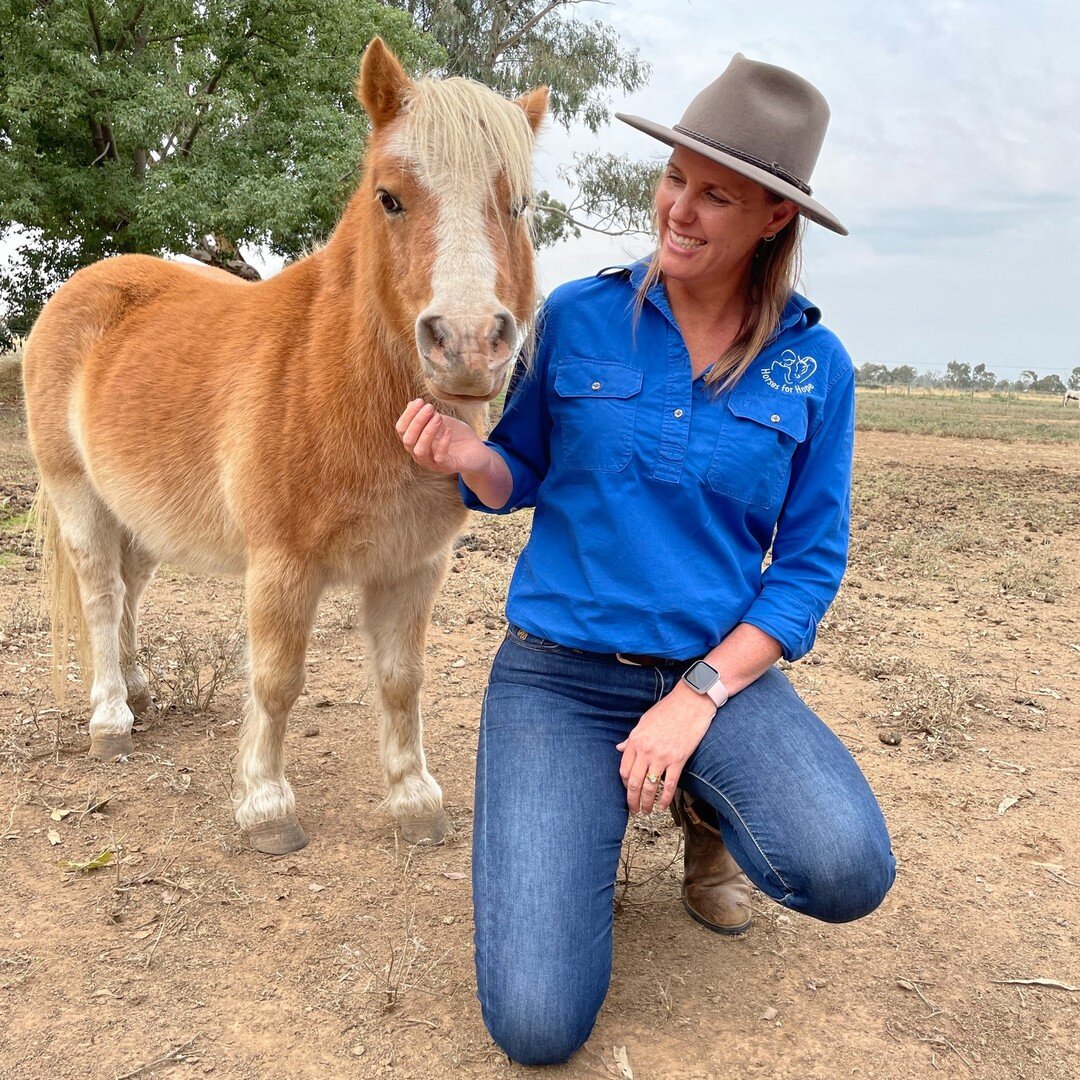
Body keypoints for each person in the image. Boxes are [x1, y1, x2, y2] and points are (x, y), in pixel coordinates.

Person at [396, 53, 895, 1067]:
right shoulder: (579, 316)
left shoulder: (816, 367)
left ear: (772, 223)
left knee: (846, 867)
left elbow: (806, 567)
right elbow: (517, 472)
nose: (681, 208)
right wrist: (468, 456)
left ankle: (704, 807)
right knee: (537, 1027)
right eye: (676, 179)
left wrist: (699, 694)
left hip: (716, 673)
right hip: (556, 675)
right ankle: (586, 810)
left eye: (717, 195)